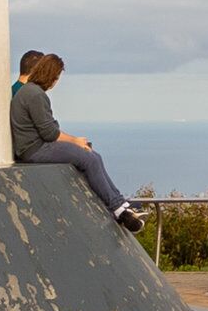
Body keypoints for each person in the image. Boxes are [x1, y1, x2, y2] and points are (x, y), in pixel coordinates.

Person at [12, 53, 146, 233]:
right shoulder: (36, 95)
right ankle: (119, 210)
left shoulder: (28, 91)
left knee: (92, 156)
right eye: (56, 78)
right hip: (35, 149)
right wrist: (75, 141)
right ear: (51, 76)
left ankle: (120, 204)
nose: (55, 82)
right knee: (89, 158)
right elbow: (49, 133)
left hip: (32, 147)